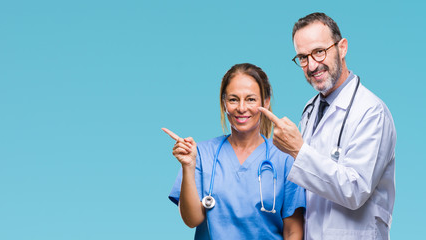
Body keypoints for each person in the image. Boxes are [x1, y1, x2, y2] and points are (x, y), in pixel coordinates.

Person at [258, 13, 396, 240]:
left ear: (342, 48)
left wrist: (297, 150)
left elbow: (355, 190)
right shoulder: (310, 109)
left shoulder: (372, 111)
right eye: (303, 57)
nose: (312, 65)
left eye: (319, 52)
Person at [163, 63, 305, 240]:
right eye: (233, 99)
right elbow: (192, 220)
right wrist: (188, 166)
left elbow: (293, 231)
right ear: (224, 103)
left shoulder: (285, 159)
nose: (241, 108)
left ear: (266, 102)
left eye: (251, 99)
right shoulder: (201, 154)